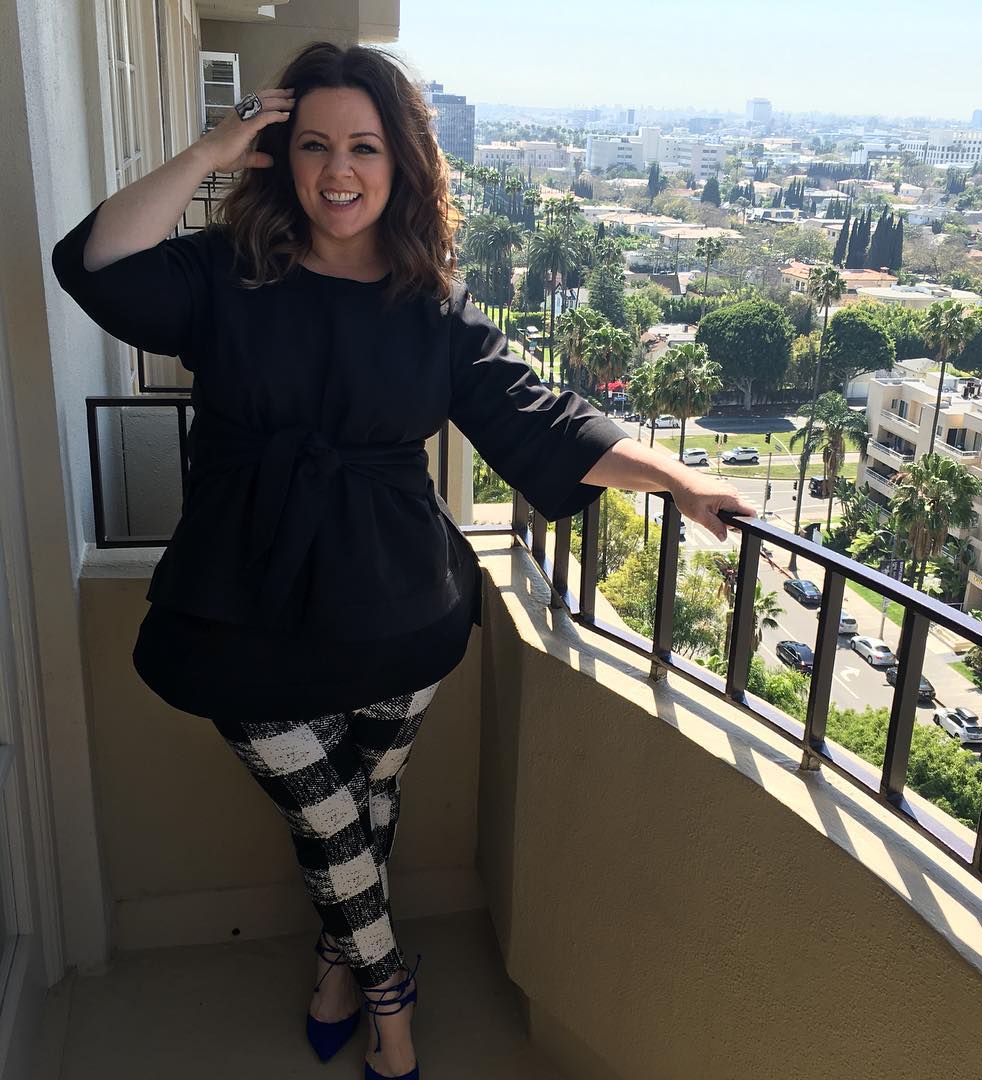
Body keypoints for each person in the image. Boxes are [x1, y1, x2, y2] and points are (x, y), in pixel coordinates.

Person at [51, 42, 754, 1079]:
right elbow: (97, 264)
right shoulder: (229, 271)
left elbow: (542, 417)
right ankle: (390, 996)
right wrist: (209, 148)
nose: (339, 170)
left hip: (399, 607)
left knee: (364, 808)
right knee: (333, 817)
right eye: (314, 145)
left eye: (365, 147)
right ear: (281, 155)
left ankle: (339, 968)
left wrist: (678, 478)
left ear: (402, 162)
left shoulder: (431, 307)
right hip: (243, 606)